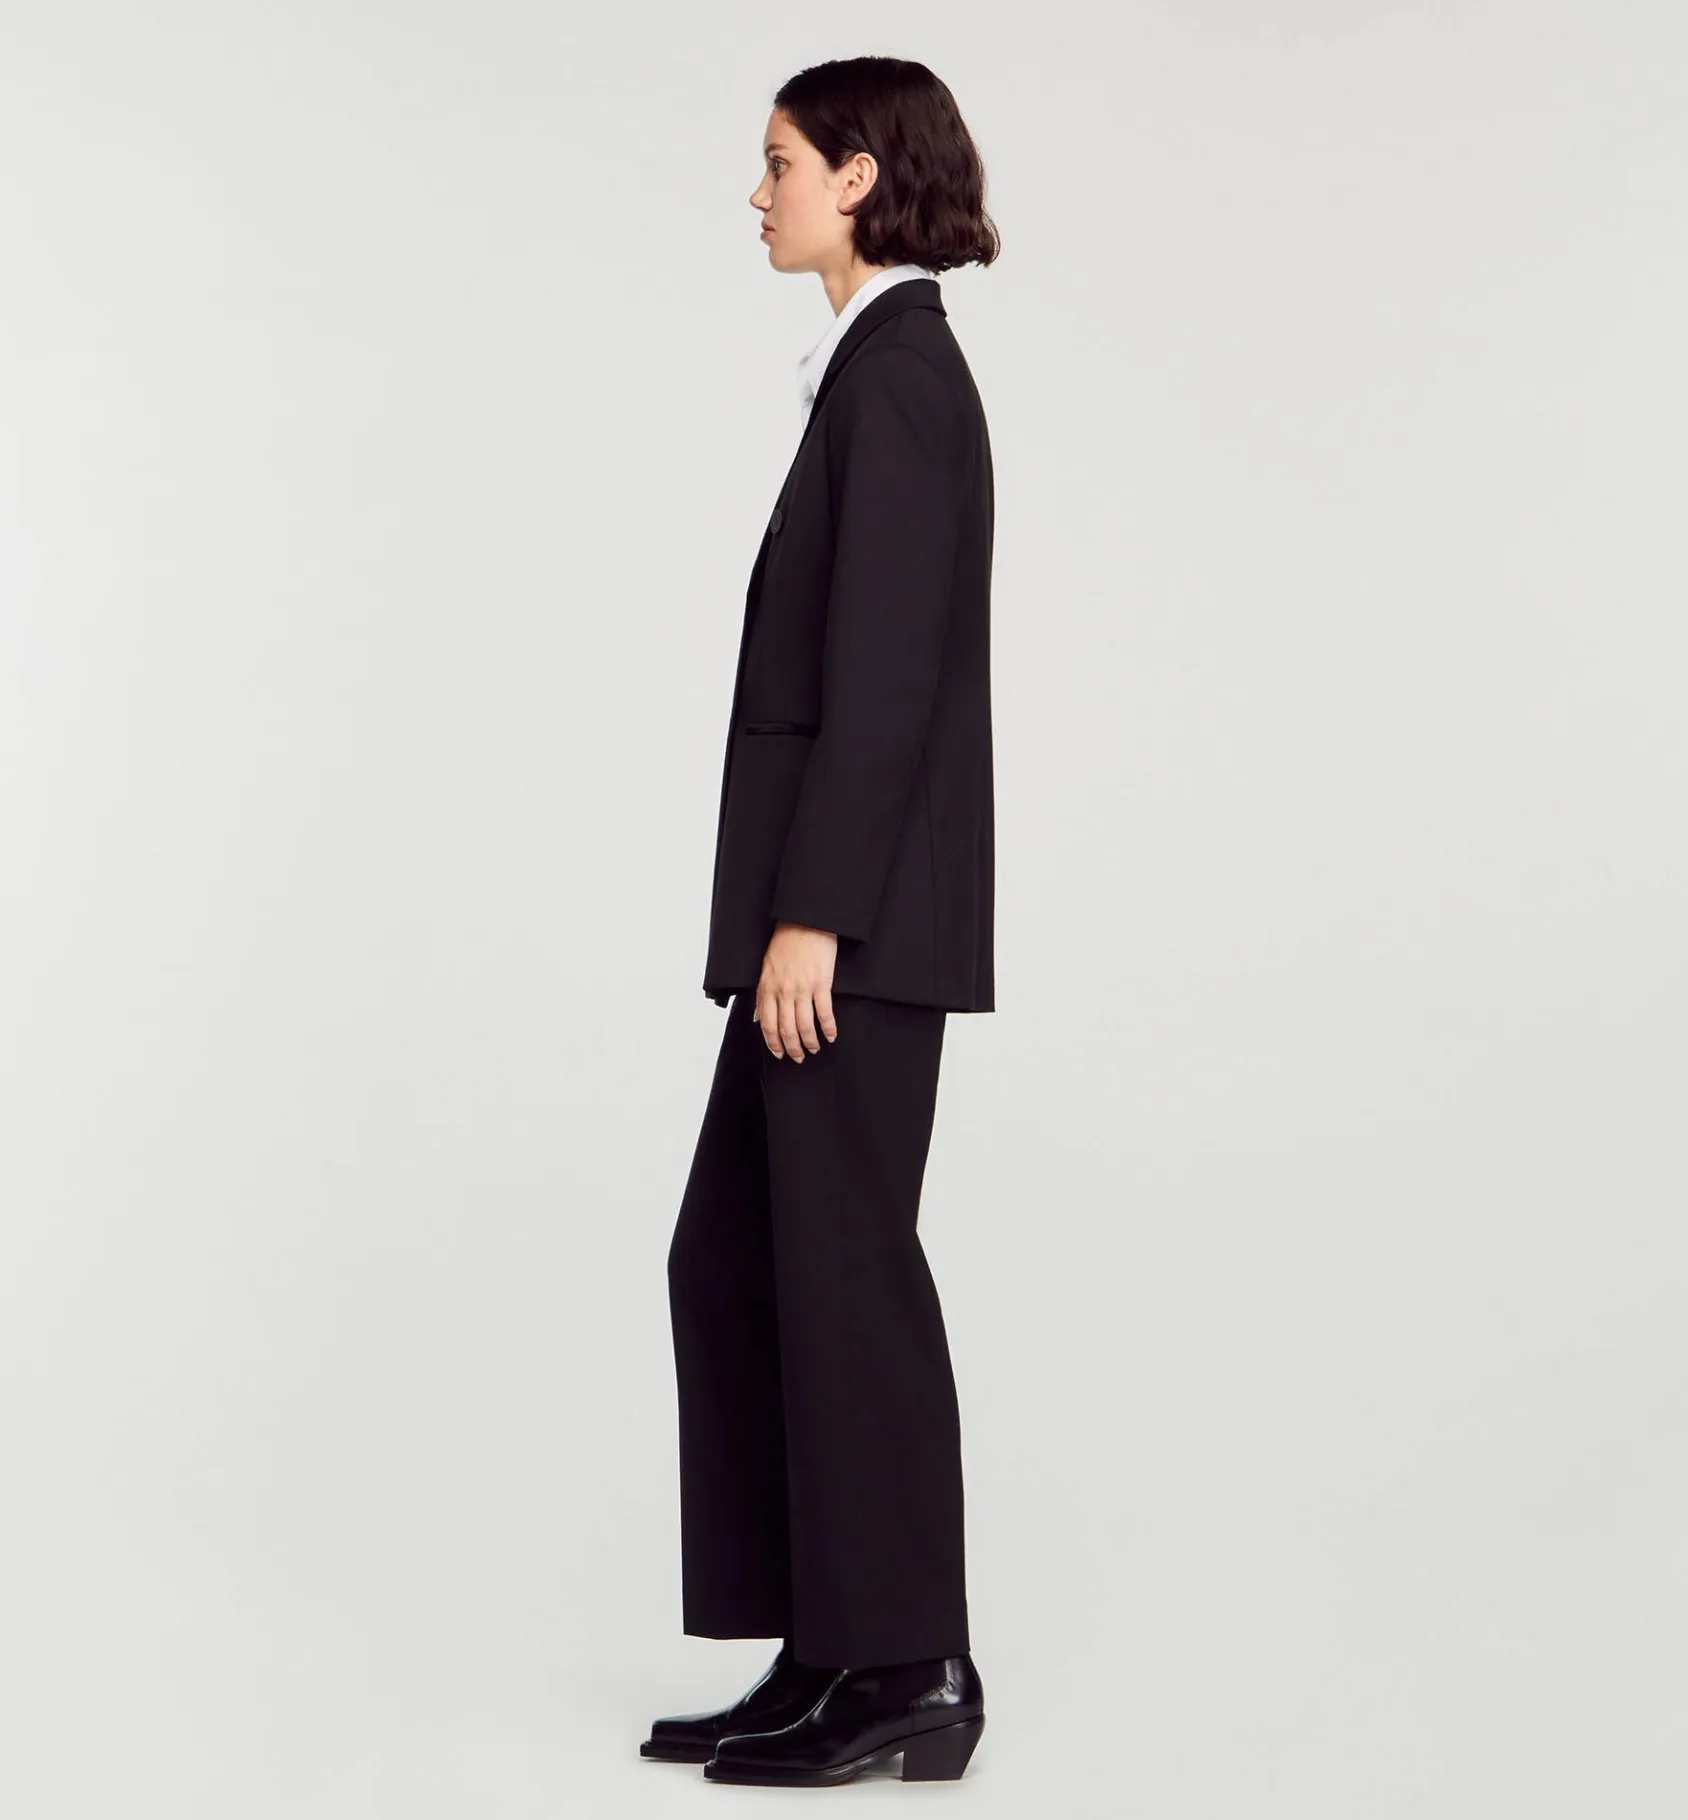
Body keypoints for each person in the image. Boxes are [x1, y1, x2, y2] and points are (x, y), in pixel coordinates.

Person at [642, 54, 999, 1789]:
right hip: (829, 924)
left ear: (858, 177)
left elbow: (884, 683)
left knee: (841, 1278)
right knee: (744, 1260)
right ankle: (832, 1646)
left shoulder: (903, 380)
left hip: (853, 935)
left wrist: (817, 921)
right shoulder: (867, 376)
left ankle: (910, 1668)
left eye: (780, 161)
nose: (759, 191)